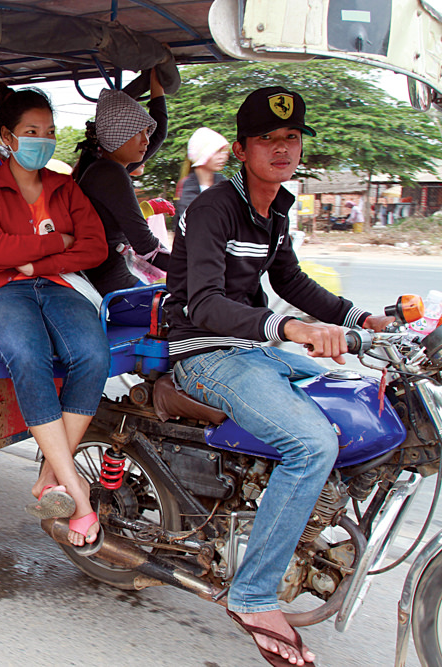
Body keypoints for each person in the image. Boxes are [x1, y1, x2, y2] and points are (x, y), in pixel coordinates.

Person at [165, 86, 394, 667]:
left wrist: (361, 317)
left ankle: (296, 511)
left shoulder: (280, 206)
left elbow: (290, 280)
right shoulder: (214, 206)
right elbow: (206, 305)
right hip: (206, 352)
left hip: (251, 343)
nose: (283, 147)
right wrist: (290, 330)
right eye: (268, 138)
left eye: (291, 137)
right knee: (311, 440)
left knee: (356, 393)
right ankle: (252, 594)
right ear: (241, 149)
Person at [0, 89, 110, 553]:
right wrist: (55, 242)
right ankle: (79, 494)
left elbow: (94, 247)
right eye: (32, 133)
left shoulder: (65, 186)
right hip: (0, 289)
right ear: (7, 136)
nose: (43, 141)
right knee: (30, 355)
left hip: (58, 285)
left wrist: (35, 262)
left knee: (92, 354)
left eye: (49, 133)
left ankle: (53, 477)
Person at [79, 80, 170, 296]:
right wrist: (197, 271)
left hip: (117, 279)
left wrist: (155, 83)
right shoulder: (110, 173)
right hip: (113, 289)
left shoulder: (105, 165)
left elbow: (159, 135)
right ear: (116, 135)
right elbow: (146, 246)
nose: (146, 141)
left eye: (147, 132)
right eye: (139, 133)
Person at [174, 127, 229, 222]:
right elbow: (195, 219)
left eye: (224, 152)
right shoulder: (186, 185)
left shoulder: (223, 181)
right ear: (203, 154)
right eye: (216, 152)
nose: (223, 157)